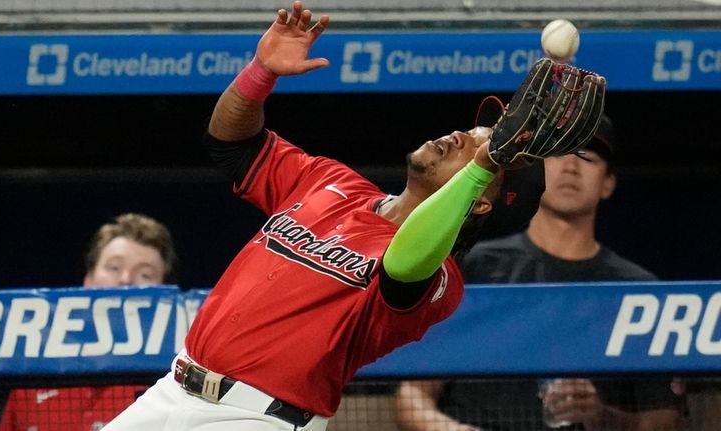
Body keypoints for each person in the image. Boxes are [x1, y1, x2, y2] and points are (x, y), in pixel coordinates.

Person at [102, 2, 603, 430]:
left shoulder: (440, 281)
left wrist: (484, 165)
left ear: (482, 199)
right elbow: (230, 144)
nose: (463, 137)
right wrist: (262, 73)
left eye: (476, 150)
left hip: (254, 417)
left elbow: (404, 264)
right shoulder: (331, 182)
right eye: (473, 133)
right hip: (172, 389)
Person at [395, 116, 686, 431]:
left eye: (587, 157)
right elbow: (412, 394)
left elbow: (664, 422)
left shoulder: (637, 290)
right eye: (558, 153)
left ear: (608, 182)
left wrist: (600, 416)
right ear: (535, 169)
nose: (571, 167)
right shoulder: (474, 266)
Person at [0, 213, 179, 431]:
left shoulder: (176, 381)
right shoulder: (34, 375)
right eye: (114, 267)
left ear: (166, 292)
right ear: (88, 281)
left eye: (145, 275)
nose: (125, 280)